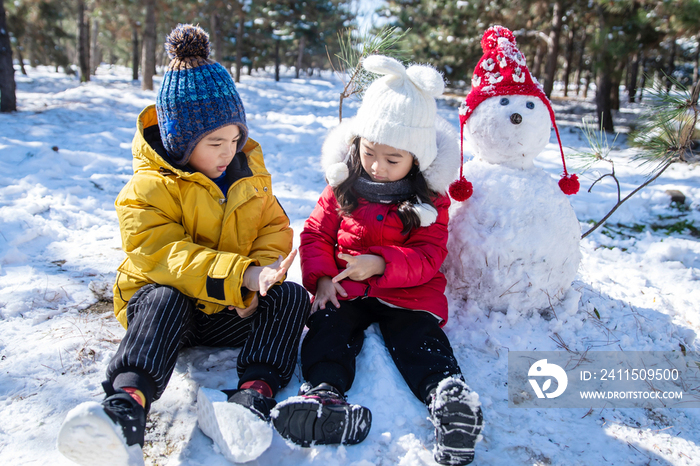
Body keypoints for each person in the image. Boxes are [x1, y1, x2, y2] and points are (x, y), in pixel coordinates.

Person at [57, 24, 310, 466]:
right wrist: (241, 276)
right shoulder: (147, 188)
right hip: (168, 314)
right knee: (165, 297)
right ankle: (126, 410)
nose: (228, 152)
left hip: (230, 307)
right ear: (180, 140)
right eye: (214, 143)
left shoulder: (247, 174)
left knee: (291, 298)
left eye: (234, 139)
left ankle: (251, 399)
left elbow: (273, 226)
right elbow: (165, 257)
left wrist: (263, 277)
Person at [270, 55, 484, 466]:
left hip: (409, 293)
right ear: (358, 143)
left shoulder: (429, 201)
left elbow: (430, 254)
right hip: (346, 287)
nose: (377, 167)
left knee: (418, 337)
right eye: (370, 153)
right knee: (328, 328)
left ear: (416, 160)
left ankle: (449, 399)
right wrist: (323, 280)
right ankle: (323, 395)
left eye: (393, 160)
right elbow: (315, 233)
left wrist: (382, 262)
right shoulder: (341, 186)